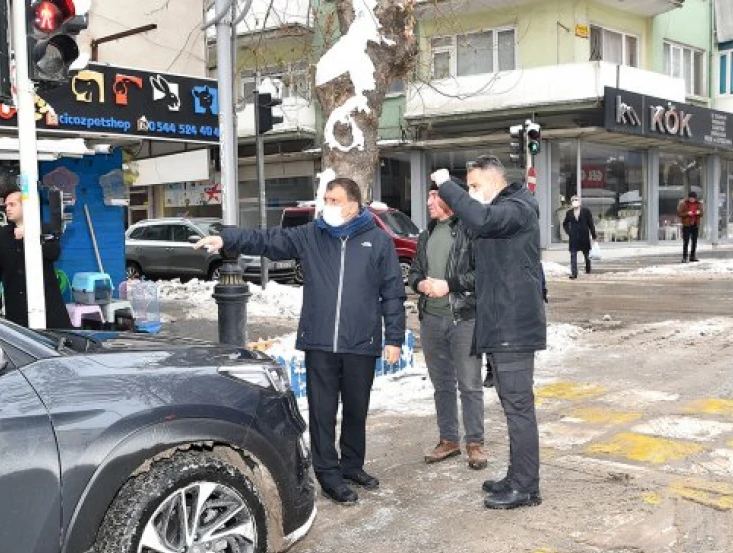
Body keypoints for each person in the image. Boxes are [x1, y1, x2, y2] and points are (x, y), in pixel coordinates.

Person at [195, 178, 405, 506]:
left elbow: (392, 292)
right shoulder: (311, 235)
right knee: (322, 412)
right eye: (326, 199)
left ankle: (352, 466)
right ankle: (329, 475)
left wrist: (394, 337)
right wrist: (227, 237)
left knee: (356, 410)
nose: (327, 206)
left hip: (360, 341)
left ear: (353, 204)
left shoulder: (378, 241)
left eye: (334, 200)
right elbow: (267, 239)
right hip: (320, 341)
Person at [431, 156, 547, 510]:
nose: (470, 193)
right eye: (467, 187)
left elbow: (480, 218)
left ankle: (526, 487)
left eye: (474, 186)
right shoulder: (502, 212)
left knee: (519, 408)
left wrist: (446, 184)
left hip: (513, 325)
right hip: (501, 324)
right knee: (513, 407)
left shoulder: (517, 208)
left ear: (495, 181)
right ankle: (518, 476)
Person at [407, 178, 486, 470]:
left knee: (470, 384)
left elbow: (482, 275)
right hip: (431, 320)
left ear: (449, 200)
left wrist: (448, 285)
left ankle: (475, 443)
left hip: (463, 318)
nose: (428, 202)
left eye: (433, 196)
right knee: (442, 385)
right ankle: (449, 440)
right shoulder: (426, 235)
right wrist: (420, 283)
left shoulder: (469, 231)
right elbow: (414, 271)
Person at [0, 189, 73, 329]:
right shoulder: (1, 235)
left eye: (12, 205)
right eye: (6, 205)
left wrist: (29, 237)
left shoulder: (44, 229)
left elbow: (53, 253)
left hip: (47, 305)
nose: (8, 209)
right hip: (16, 307)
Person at [562, 195, 597, 279]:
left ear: (580, 202)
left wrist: (593, 235)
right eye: (573, 200)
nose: (575, 201)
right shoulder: (569, 212)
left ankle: (588, 268)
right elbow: (565, 223)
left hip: (584, 236)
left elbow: (590, 224)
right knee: (573, 255)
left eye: (576, 200)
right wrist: (568, 232)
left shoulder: (586, 211)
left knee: (586, 254)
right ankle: (574, 273)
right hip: (573, 237)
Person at [678, 191, 703, 262]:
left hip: (695, 224)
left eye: (693, 198)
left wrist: (699, 212)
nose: (692, 199)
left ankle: (692, 256)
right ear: (688, 198)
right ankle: (684, 257)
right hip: (687, 225)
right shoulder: (683, 204)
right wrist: (687, 213)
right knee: (686, 241)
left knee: (694, 242)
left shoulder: (699, 204)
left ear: (695, 198)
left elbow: (702, 213)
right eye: (691, 198)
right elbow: (679, 213)